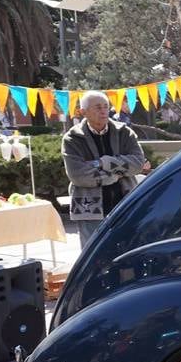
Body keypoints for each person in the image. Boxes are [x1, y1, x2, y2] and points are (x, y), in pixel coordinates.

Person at [62, 90, 147, 246]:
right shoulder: (72, 138)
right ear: (83, 112)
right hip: (89, 210)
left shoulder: (124, 132)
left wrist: (104, 163)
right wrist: (114, 176)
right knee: (93, 255)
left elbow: (138, 164)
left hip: (125, 203)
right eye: (97, 107)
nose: (103, 111)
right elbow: (78, 175)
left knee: (128, 251)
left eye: (106, 106)